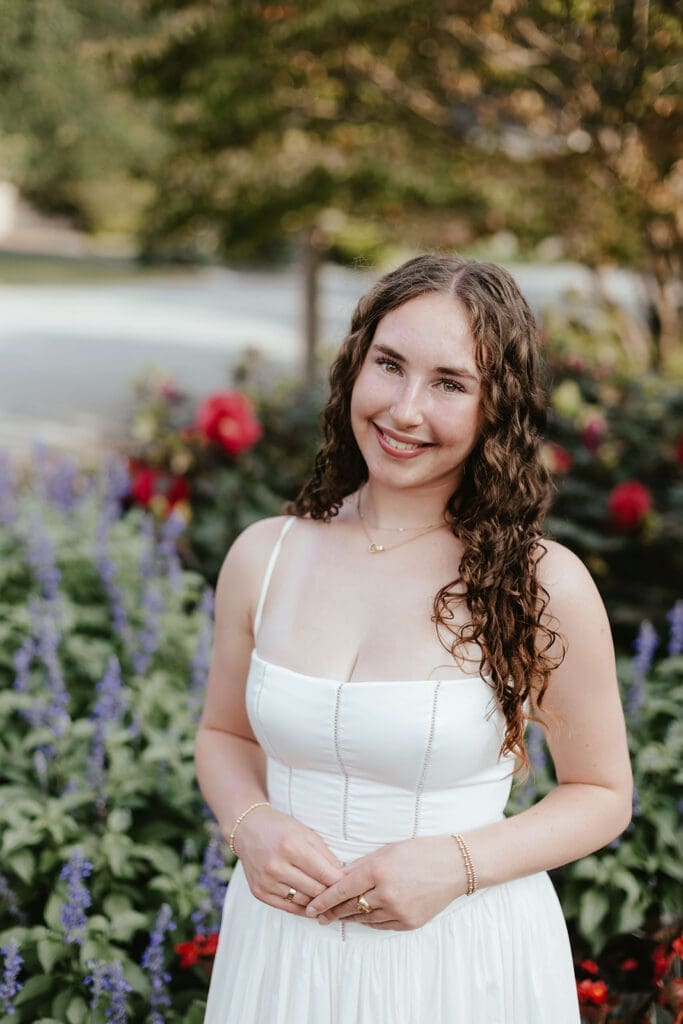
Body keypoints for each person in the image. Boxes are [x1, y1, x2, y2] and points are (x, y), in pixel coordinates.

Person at [196, 253, 633, 1024]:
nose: (403, 410)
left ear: (495, 409)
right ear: (354, 367)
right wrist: (249, 825)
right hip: (280, 951)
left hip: (460, 958)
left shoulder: (542, 583)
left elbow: (600, 794)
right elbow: (224, 733)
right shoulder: (264, 556)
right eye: (388, 365)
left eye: (449, 384)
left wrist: (455, 866)